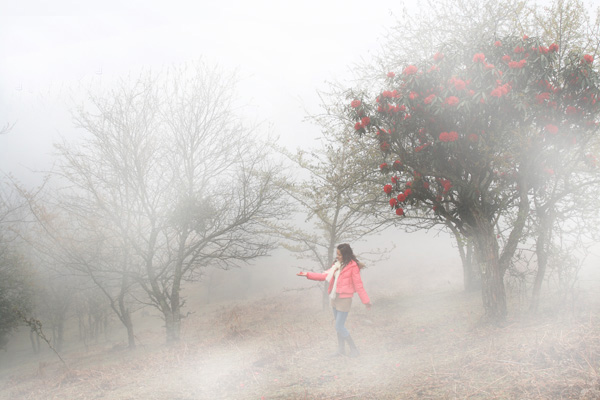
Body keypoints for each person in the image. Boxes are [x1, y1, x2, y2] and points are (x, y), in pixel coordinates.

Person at [297, 243, 371, 357]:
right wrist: (307, 274)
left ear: (346, 255)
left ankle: (354, 349)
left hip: (344, 299)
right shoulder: (336, 265)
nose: (337, 256)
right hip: (334, 297)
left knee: (339, 326)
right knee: (338, 326)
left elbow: (358, 285)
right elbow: (323, 276)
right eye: (337, 254)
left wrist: (366, 301)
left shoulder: (353, 267)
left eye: (339, 254)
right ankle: (341, 350)